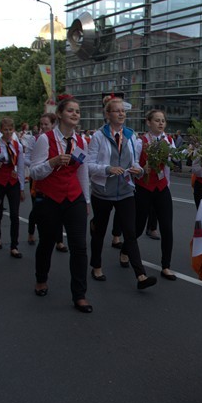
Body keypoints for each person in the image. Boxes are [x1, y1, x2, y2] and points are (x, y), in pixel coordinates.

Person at [29, 95, 94, 313]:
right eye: (70, 111)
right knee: (46, 242)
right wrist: (52, 162)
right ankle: (41, 279)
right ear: (59, 114)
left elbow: (83, 172)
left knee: (79, 246)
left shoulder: (82, 141)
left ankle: (80, 295)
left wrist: (86, 200)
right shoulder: (45, 139)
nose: (75, 114)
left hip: (73, 197)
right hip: (50, 198)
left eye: (77, 111)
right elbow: (34, 171)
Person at [87, 95, 156, 289]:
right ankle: (96, 266)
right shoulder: (98, 136)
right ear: (108, 114)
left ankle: (141, 275)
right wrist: (107, 169)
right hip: (103, 192)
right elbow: (90, 165)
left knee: (130, 232)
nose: (121, 114)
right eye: (117, 111)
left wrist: (139, 170)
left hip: (125, 191)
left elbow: (134, 162)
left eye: (123, 111)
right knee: (100, 232)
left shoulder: (131, 135)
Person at [133, 109, 177, 281]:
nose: (161, 123)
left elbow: (174, 160)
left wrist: (178, 156)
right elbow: (134, 163)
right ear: (148, 122)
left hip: (161, 187)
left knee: (167, 227)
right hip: (144, 187)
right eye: (157, 120)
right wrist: (141, 169)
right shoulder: (140, 142)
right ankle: (125, 249)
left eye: (163, 120)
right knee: (137, 226)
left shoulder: (168, 140)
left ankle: (166, 266)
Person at [27, 113, 68, 252]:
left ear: (53, 125)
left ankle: (59, 241)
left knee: (59, 209)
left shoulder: (59, 139)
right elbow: (28, 160)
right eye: (41, 124)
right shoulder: (36, 139)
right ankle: (31, 232)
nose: (43, 127)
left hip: (55, 179)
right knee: (37, 210)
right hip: (38, 179)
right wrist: (44, 163)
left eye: (46, 124)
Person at [0, 117, 25, 258]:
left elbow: (20, 167)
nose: (8, 132)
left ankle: (14, 246)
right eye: (5, 130)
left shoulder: (18, 146)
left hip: (13, 182)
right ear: (1, 130)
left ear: (13, 130)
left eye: (10, 129)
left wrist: (21, 188)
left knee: (15, 214)